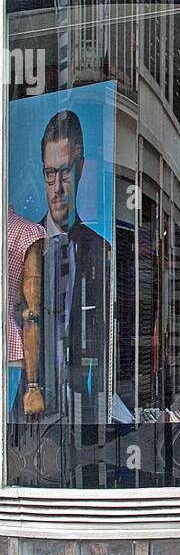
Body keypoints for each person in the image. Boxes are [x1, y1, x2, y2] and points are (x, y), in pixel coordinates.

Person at [39, 109, 111, 425]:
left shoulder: (100, 250)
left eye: (65, 173)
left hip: (86, 410)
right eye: (49, 174)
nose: (57, 188)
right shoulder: (27, 248)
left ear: (80, 170)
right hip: (32, 408)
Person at [7, 207, 46, 417]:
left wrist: (33, 387)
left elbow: (32, 313)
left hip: (7, 348)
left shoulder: (25, 232)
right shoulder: (25, 232)